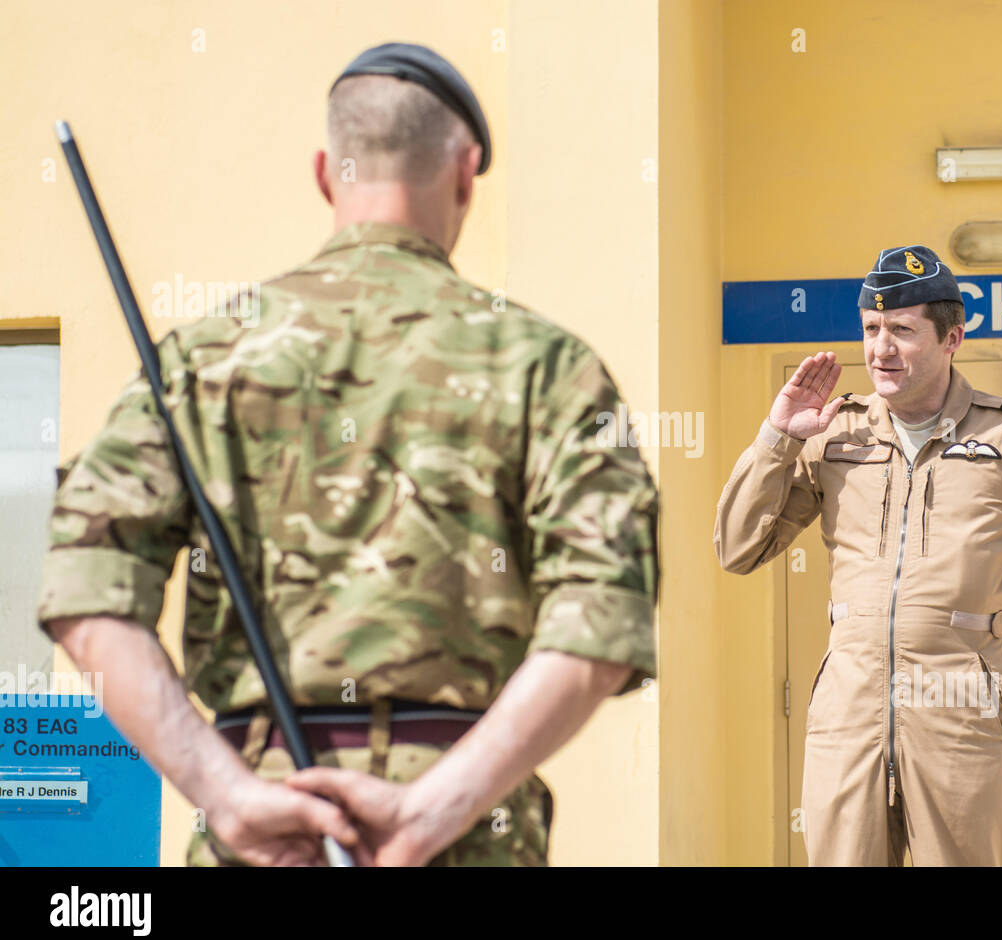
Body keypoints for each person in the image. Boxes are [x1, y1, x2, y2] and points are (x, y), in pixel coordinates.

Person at [37, 42, 658, 867]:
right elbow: (605, 617)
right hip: (470, 836)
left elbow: (86, 597)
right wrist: (434, 810)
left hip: (266, 833)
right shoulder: (547, 367)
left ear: (328, 172)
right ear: (467, 172)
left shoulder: (200, 362)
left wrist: (228, 796)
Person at [714, 244, 1002, 866]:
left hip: (963, 726)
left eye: (902, 330)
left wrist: (996, 667)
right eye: (871, 329)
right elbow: (737, 548)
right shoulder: (835, 434)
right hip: (848, 722)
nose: (880, 349)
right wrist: (777, 439)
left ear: (952, 337)